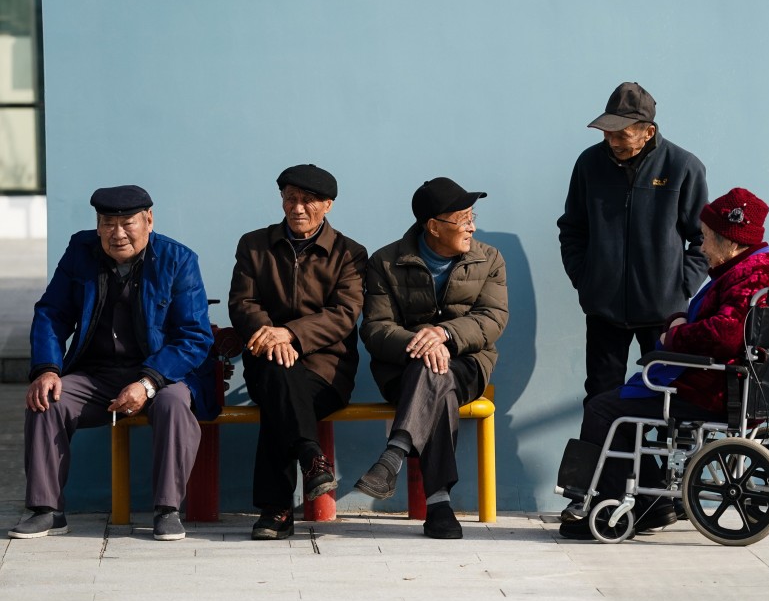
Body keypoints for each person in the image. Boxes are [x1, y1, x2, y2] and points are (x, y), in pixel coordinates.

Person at [558, 187, 769, 539]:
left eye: (706, 237)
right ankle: (655, 504)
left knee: (604, 409)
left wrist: (675, 337)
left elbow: (728, 332)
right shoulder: (763, 270)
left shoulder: (749, 276)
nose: (701, 246)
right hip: (731, 385)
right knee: (615, 404)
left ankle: (609, 507)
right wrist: (680, 323)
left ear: (729, 240)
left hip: (711, 390)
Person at [10, 185, 217, 542]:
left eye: (127, 223)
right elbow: (51, 313)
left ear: (148, 220)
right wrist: (47, 368)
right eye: (108, 223)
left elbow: (194, 337)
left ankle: (167, 510)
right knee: (46, 400)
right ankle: (46, 509)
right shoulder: (80, 250)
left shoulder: (178, 259)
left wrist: (148, 382)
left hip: (162, 376)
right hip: (96, 373)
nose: (116, 233)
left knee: (172, 404)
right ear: (98, 224)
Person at [355, 177, 508, 540]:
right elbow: (376, 328)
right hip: (401, 370)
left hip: (469, 364)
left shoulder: (489, 259)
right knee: (434, 377)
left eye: (473, 216)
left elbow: (493, 318)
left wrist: (445, 334)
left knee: (438, 375)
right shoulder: (386, 262)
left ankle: (395, 453)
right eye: (463, 218)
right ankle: (438, 504)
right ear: (434, 226)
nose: (472, 225)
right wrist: (423, 344)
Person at [228, 164, 367, 540]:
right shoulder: (254, 245)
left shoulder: (350, 254)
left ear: (328, 206)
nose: (298, 208)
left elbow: (343, 314)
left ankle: (276, 511)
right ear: (282, 201)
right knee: (277, 375)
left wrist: (289, 334)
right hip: (267, 359)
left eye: (308, 201)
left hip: (327, 371)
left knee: (280, 401)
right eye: (291, 199)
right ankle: (311, 456)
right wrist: (272, 339)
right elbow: (243, 303)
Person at [558, 82, 710, 405]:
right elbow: (572, 229)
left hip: (663, 316)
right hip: (604, 312)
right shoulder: (588, 165)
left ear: (647, 131)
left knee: (666, 401)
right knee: (600, 399)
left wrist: (680, 287)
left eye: (620, 134)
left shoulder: (682, 168)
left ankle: (652, 459)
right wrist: (586, 280)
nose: (611, 141)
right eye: (606, 132)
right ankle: (608, 458)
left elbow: (703, 239)